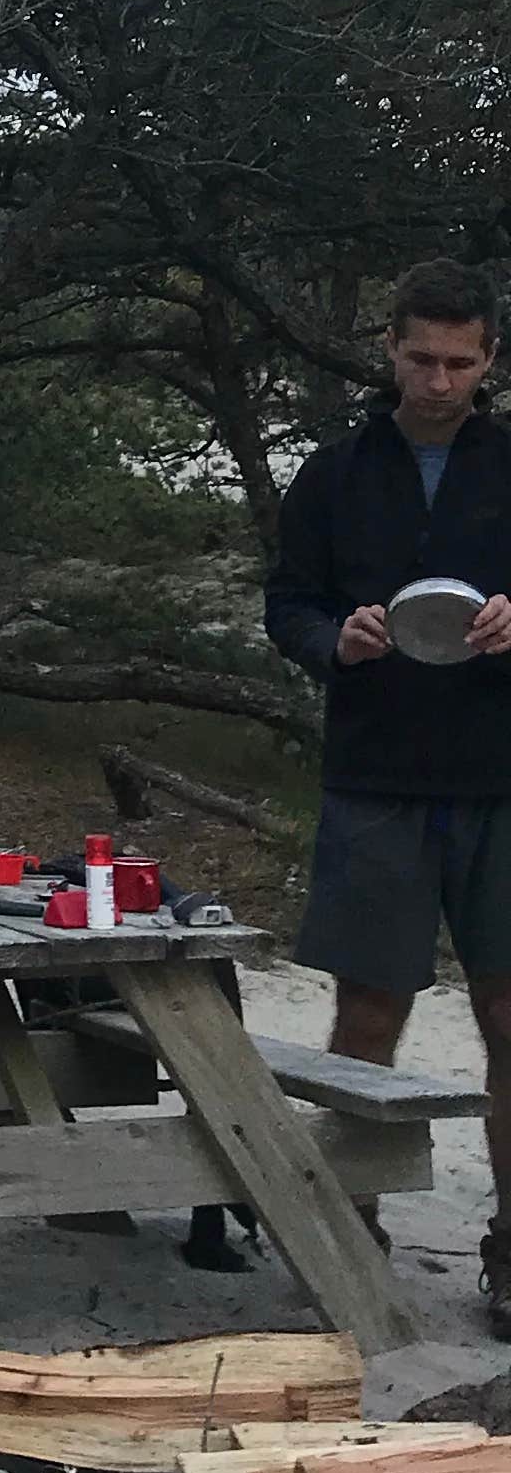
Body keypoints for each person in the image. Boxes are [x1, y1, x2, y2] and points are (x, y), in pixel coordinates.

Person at [265, 258, 511, 1336]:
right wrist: (338, 640)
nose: (440, 381)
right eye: (422, 358)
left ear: (490, 358)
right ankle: (349, 1234)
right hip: (376, 774)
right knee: (368, 1014)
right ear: (391, 348)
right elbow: (290, 605)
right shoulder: (335, 472)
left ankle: (510, 1253)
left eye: (461, 362)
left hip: (504, 778)